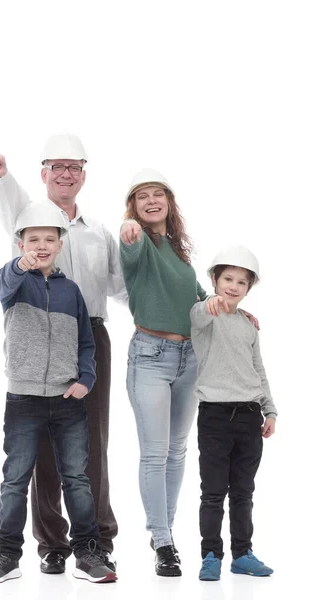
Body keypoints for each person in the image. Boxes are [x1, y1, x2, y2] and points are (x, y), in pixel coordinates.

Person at [0, 134, 126, 574]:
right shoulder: (27, 216)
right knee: (39, 450)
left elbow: (123, 288)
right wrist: (1, 175)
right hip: (34, 348)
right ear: (43, 173)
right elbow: (11, 201)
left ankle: (96, 540)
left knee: (91, 444)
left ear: (83, 174)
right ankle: (51, 542)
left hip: (89, 338)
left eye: (74, 167)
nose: (66, 174)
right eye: (56, 167)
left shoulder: (99, 232)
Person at [119, 168, 208, 577]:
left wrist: (231, 310)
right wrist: (129, 231)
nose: (152, 201)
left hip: (189, 358)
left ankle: (163, 532)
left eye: (159, 195)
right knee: (155, 454)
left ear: (169, 203)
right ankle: (164, 541)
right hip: (151, 357)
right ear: (134, 206)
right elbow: (129, 247)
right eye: (143, 197)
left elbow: (193, 294)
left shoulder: (175, 246)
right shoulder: (138, 240)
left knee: (177, 451)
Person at [190, 246, 277, 582]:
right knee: (213, 492)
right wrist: (208, 305)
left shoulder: (248, 325)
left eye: (242, 282)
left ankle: (242, 553)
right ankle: (211, 554)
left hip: (249, 416)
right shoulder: (203, 313)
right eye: (228, 278)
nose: (234, 286)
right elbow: (198, 316)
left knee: (244, 492)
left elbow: (259, 369)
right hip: (214, 416)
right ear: (214, 279)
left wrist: (269, 409)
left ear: (248, 289)